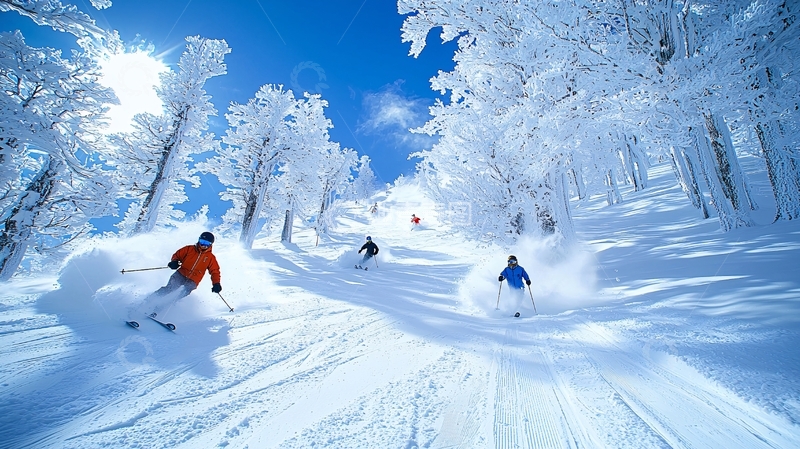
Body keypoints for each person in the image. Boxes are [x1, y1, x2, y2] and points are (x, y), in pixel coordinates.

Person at [135, 231, 222, 318]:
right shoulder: (189, 249)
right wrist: (174, 262)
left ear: (211, 244)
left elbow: (215, 271)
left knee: (178, 295)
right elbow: (177, 255)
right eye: (202, 241)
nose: (203, 245)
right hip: (180, 274)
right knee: (169, 289)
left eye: (207, 243)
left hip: (193, 281)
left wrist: (216, 283)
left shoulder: (210, 258)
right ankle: (146, 302)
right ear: (198, 240)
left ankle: (157, 311)